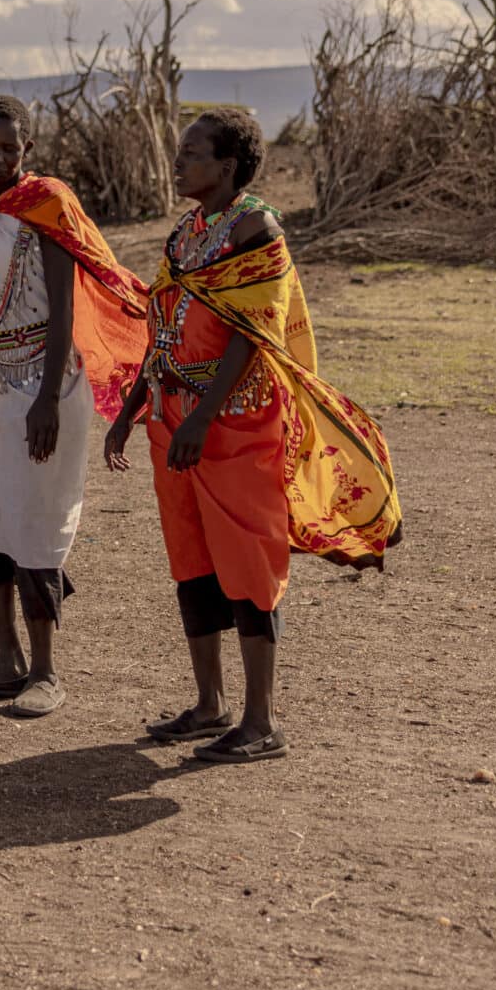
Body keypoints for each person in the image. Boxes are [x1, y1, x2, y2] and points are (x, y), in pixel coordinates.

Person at [104, 111, 403, 765]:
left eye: (192, 154)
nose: (179, 164)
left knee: (247, 567)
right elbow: (163, 326)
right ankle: (209, 705)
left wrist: (205, 417)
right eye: (180, 153)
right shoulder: (188, 231)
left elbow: (253, 332)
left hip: (235, 420)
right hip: (172, 414)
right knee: (193, 562)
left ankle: (261, 720)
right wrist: (130, 411)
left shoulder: (254, 228)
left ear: (229, 166)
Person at [0, 95, 148, 717]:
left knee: (35, 521)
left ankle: (45, 672)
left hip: (42, 385)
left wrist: (46, 400)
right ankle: (4, 664)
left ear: (27, 149)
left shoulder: (46, 207)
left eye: (9, 146)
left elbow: (63, 308)